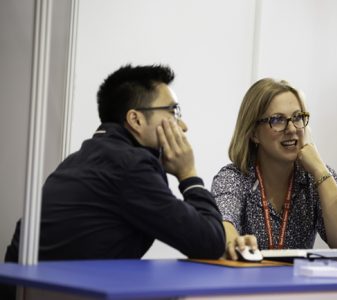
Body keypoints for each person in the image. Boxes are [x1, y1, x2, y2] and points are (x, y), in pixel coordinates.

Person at [4, 64, 225, 262]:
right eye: (172, 112)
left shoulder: (83, 158)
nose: (183, 125)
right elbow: (210, 243)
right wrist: (188, 174)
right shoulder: (130, 166)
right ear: (135, 119)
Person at [211, 78, 337, 260]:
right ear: (254, 133)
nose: (291, 129)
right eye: (277, 120)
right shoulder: (234, 177)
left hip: (297, 287)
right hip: (247, 284)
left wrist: (319, 169)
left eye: (297, 117)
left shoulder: (318, 177)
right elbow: (223, 223)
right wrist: (233, 241)